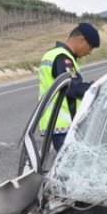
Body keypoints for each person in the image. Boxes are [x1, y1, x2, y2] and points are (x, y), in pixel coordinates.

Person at [37, 22, 98, 150]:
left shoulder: (51, 54)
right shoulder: (63, 58)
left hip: (54, 123)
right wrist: (95, 87)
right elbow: (73, 88)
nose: (90, 53)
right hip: (63, 124)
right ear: (81, 40)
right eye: (90, 47)